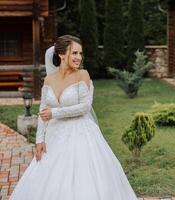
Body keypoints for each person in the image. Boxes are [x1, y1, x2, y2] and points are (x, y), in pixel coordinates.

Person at [10, 35, 138, 200]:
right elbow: (43, 110)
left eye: (80, 53)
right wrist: (40, 139)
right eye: (74, 53)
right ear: (62, 55)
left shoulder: (82, 75)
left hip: (81, 133)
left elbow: (85, 107)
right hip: (54, 136)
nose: (79, 57)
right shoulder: (49, 79)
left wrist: (54, 113)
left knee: (84, 178)